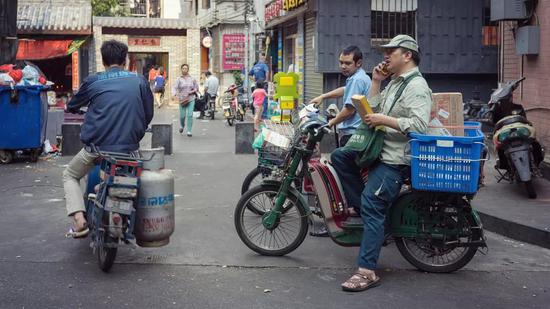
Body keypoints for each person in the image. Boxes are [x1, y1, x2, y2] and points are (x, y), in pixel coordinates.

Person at [331, 35, 432, 292]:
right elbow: (374, 107)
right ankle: (364, 210)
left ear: (407, 55)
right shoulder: (396, 82)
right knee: (340, 156)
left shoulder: (416, 86)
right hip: (379, 150)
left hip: (395, 158)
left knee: (373, 204)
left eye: (391, 52)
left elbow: (419, 125)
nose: (386, 57)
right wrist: (376, 82)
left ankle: (367, 271)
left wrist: (383, 121)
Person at [63, 40, 154, 237]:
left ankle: (79, 221)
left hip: (96, 149)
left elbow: (72, 106)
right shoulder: (139, 81)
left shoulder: (93, 81)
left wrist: (78, 108)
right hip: (128, 149)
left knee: (70, 175)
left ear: (103, 61)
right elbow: (148, 113)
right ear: (125, 60)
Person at [310, 46, 371, 146]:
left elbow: (349, 110)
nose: (343, 66)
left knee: (338, 158)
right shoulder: (361, 76)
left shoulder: (356, 80)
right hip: (359, 133)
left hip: (353, 135)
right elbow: (345, 89)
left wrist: (330, 123)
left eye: (347, 63)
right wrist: (323, 96)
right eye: (341, 62)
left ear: (358, 63)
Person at [173, 64, 198, 137]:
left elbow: (196, 87)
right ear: (181, 70)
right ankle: (182, 125)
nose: (184, 70)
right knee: (182, 116)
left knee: (190, 115)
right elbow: (174, 87)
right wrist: (174, 94)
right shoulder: (179, 79)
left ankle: (189, 131)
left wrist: (192, 91)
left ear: (188, 69)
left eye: (186, 68)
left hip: (191, 99)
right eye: (183, 68)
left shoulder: (192, 79)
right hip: (182, 99)